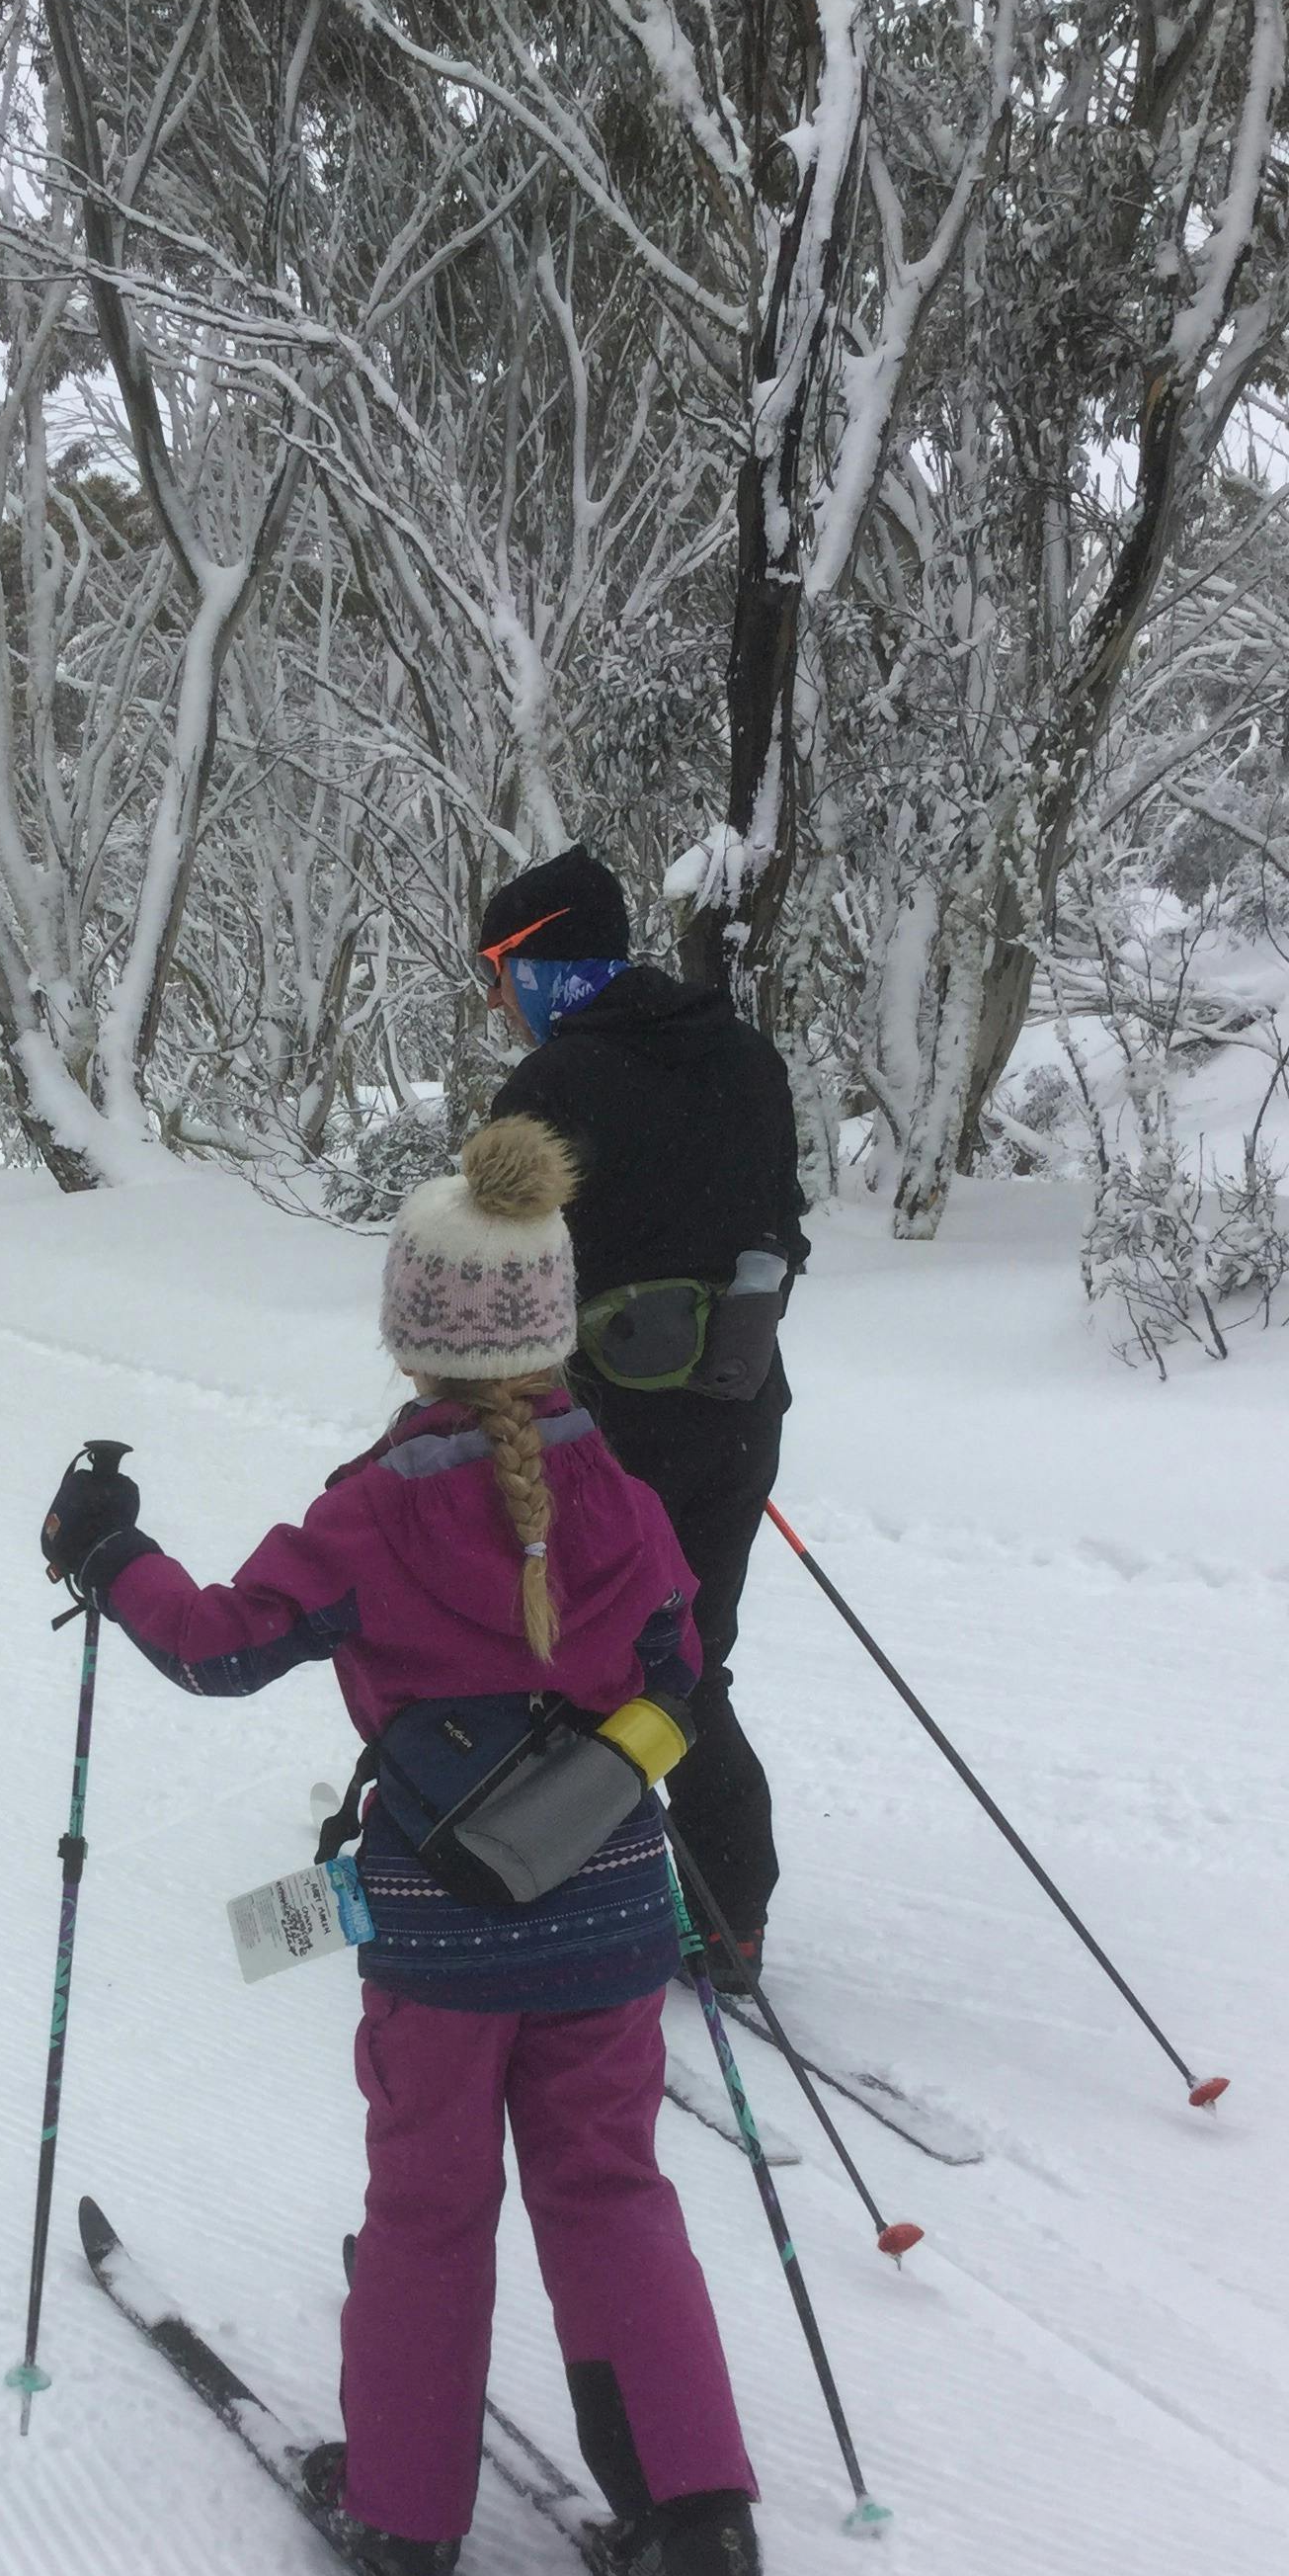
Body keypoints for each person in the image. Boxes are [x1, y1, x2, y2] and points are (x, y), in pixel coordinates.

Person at [38, 1118, 760, 2576]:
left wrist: (112, 1558)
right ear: (554, 1321)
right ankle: (699, 2515)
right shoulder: (620, 1493)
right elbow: (684, 1666)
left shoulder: (374, 1508)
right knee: (613, 2188)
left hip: (442, 1927)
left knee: (433, 2208)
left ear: (410, 1332)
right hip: (615, 1899)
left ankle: (407, 2521)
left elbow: (226, 1647)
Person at [479, 846, 809, 1992]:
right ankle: (731, 1916)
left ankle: (553, 1881)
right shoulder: (743, 1053)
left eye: (497, 968)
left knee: (562, 1654)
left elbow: (494, 1287)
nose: (493, 997)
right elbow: (785, 1233)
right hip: (733, 1414)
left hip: (591, 1435)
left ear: (540, 963)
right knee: (689, 1664)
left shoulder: (551, 1090)